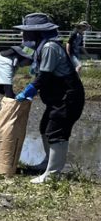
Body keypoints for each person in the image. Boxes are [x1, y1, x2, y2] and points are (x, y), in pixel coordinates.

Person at [14, 12, 86, 183]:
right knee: (45, 127)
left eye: (26, 31)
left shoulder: (49, 47)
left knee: (56, 132)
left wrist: (28, 91)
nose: (23, 34)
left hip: (68, 97)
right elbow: (29, 59)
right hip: (57, 98)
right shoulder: (41, 46)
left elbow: (44, 76)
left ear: (36, 32)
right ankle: (47, 163)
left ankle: (53, 174)